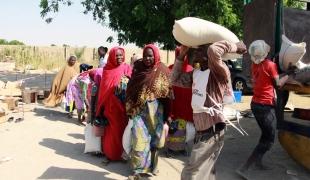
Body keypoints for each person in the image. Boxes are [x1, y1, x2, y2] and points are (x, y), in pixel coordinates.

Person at [171, 41, 247, 180]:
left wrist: (236, 47)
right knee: (206, 173)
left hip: (211, 131)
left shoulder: (218, 72)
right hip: (202, 131)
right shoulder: (197, 73)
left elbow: (213, 50)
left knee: (190, 173)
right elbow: (174, 79)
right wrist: (181, 55)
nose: (195, 54)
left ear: (208, 56)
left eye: (200, 51)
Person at [236, 40, 293, 179]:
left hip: (255, 104)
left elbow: (266, 77)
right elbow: (278, 84)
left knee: (265, 134)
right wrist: (290, 74)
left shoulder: (255, 65)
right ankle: (245, 168)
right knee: (269, 138)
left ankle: (257, 162)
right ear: (265, 53)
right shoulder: (270, 65)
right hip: (265, 107)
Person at [126, 44, 171, 179]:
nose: (147, 58)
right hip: (139, 110)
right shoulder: (138, 68)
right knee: (139, 139)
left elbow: (168, 95)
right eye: (145, 55)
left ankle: (153, 167)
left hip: (156, 111)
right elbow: (131, 88)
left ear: (155, 55)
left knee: (155, 141)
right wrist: (130, 109)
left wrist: (168, 116)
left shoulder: (162, 70)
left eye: (150, 55)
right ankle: (139, 169)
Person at [96, 46, 132, 164]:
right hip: (110, 107)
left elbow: (132, 83)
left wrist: (127, 80)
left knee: (122, 130)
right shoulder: (107, 70)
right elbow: (104, 90)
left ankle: (121, 153)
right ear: (112, 56)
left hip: (123, 106)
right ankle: (110, 154)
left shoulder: (127, 67)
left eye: (121, 55)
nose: (119, 57)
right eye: (117, 55)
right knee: (111, 132)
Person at [166, 47, 194, 157]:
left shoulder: (191, 70)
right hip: (176, 104)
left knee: (184, 127)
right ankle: (172, 148)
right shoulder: (171, 69)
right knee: (175, 127)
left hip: (184, 105)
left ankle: (181, 147)